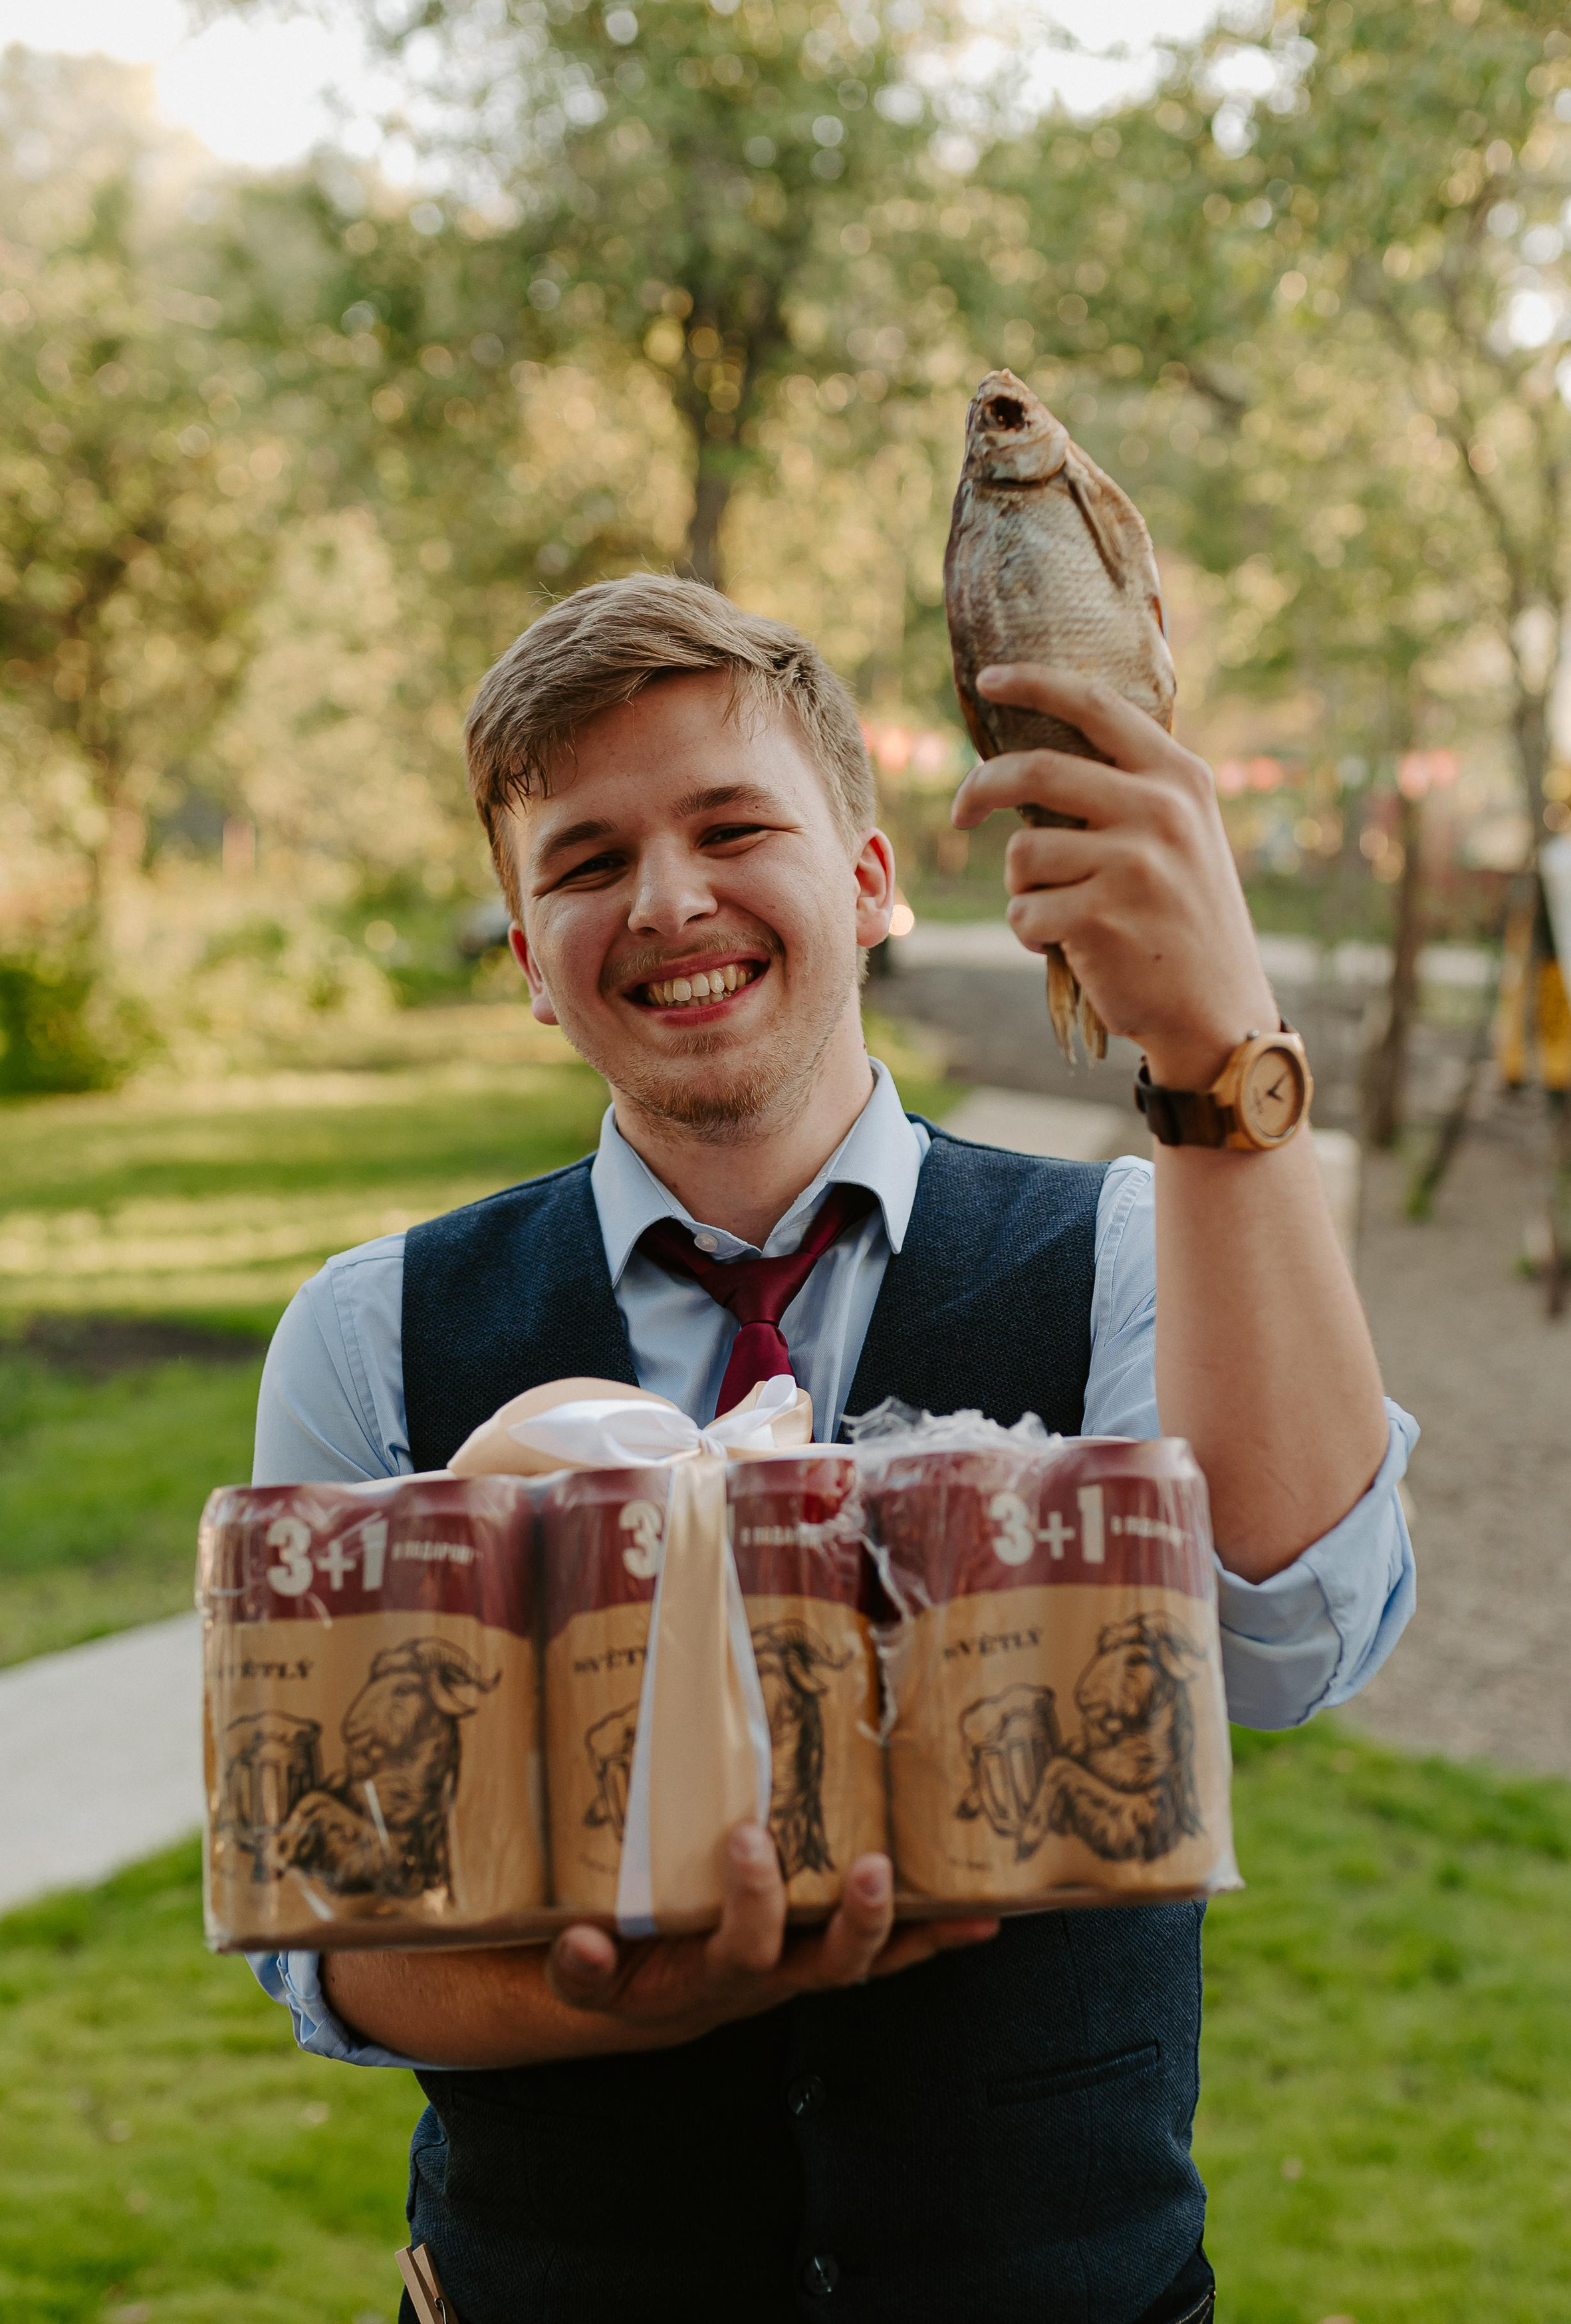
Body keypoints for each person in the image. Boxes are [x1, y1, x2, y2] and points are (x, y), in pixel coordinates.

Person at [251, 575, 1415, 2324]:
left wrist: (1212, 1047)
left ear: (870, 884)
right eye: (582, 863)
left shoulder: (1130, 1254)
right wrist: (629, 2007)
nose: (665, 901)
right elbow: (326, 1931)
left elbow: (1295, 1640)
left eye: (733, 825)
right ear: (525, 963)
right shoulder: (371, 1334)